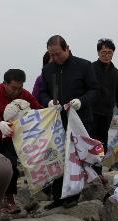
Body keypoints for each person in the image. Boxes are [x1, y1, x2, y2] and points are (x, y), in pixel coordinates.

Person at [39, 35, 99, 210]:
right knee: (56, 156)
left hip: (79, 120)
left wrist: (81, 101)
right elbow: (42, 93)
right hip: (56, 122)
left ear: (67, 48)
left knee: (76, 157)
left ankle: (73, 195)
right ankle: (57, 196)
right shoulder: (48, 69)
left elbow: (94, 90)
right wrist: (49, 102)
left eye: (58, 54)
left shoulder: (84, 66)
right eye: (52, 54)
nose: (55, 58)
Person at [0, 69, 43, 214]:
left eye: (20, 88)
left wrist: (51, 109)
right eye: (13, 88)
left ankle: (9, 198)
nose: (16, 92)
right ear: (5, 84)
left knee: (10, 166)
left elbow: (37, 109)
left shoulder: (24, 95)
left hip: (11, 138)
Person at [92, 38, 118, 179]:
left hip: (107, 112)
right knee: (92, 141)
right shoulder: (91, 68)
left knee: (103, 142)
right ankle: (88, 170)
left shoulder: (115, 72)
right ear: (98, 52)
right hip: (92, 111)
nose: (106, 55)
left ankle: (98, 171)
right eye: (103, 52)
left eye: (109, 52)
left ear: (113, 53)